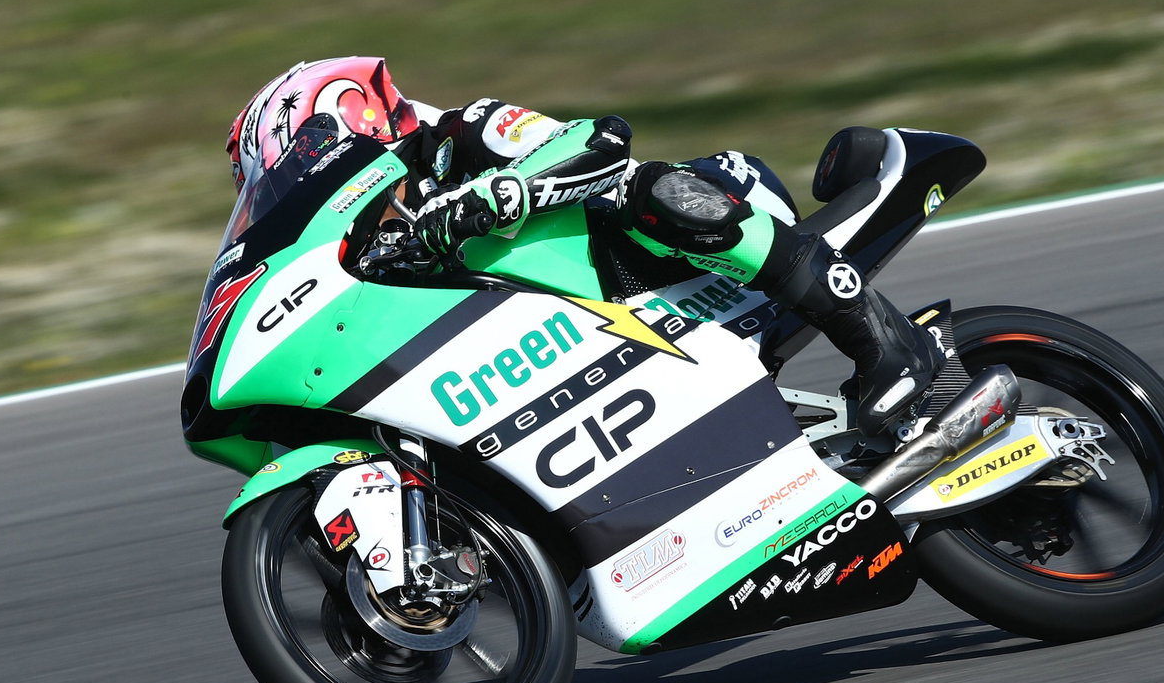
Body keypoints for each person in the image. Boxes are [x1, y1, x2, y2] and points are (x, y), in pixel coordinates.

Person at [225, 56, 943, 439]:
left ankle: (883, 339)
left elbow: (598, 144)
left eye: (302, 157)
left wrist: (498, 193)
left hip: (679, 254)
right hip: (603, 345)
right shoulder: (383, 252)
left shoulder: (460, 132)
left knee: (646, 187)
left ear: (347, 114)